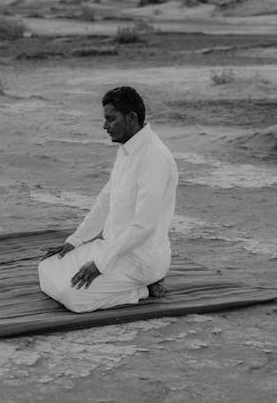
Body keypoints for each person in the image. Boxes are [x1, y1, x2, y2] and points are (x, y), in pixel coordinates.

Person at [38, 86, 178, 313]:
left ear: (131, 118)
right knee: (47, 267)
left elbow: (144, 226)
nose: (105, 126)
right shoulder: (126, 150)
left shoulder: (154, 158)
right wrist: (74, 241)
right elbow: (104, 203)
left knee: (71, 297)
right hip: (111, 249)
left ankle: (142, 290)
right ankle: (126, 284)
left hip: (139, 261)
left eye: (111, 120)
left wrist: (100, 265)